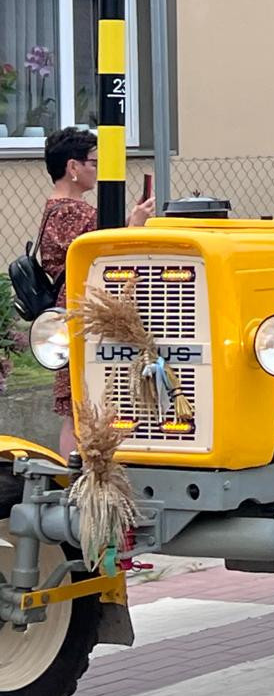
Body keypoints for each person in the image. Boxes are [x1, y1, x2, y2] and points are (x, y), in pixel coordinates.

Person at [37, 127, 154, 455]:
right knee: (82, 405)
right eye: (93, 162)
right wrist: (135, 225)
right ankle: (78, 475)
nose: (97, 169)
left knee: (78, 403)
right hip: (80, 311)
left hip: (72, 310)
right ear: (73, 167)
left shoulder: (58, 209)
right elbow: (105, 256)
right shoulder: (70, 212)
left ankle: (76, 474)